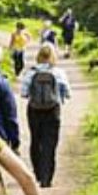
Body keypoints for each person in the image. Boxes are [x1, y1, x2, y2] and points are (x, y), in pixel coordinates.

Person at [20, 44, 71, 187]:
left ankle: (37, 172)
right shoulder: (59, 73)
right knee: (50, 143)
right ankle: (47, 177)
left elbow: (24, 94)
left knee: (36, 140)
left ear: (39, 56)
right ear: (53, 56)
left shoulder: (30, 72)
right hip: (53, 110)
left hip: (34, 110)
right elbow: (68, 93)